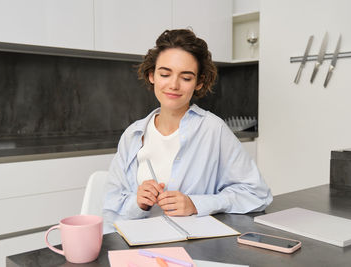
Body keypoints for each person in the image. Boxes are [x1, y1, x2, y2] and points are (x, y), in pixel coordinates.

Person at [103, 29, 272, 233]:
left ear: (199, 82)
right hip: (138, 246)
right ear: (152, 76)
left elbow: (257, 194)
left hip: (193, 248)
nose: (173, 85)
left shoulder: (213, 129)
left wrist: (196, 204)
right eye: (165, 74)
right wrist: (137, 203)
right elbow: (111, 205)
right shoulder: (132, 135)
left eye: (186, 77)